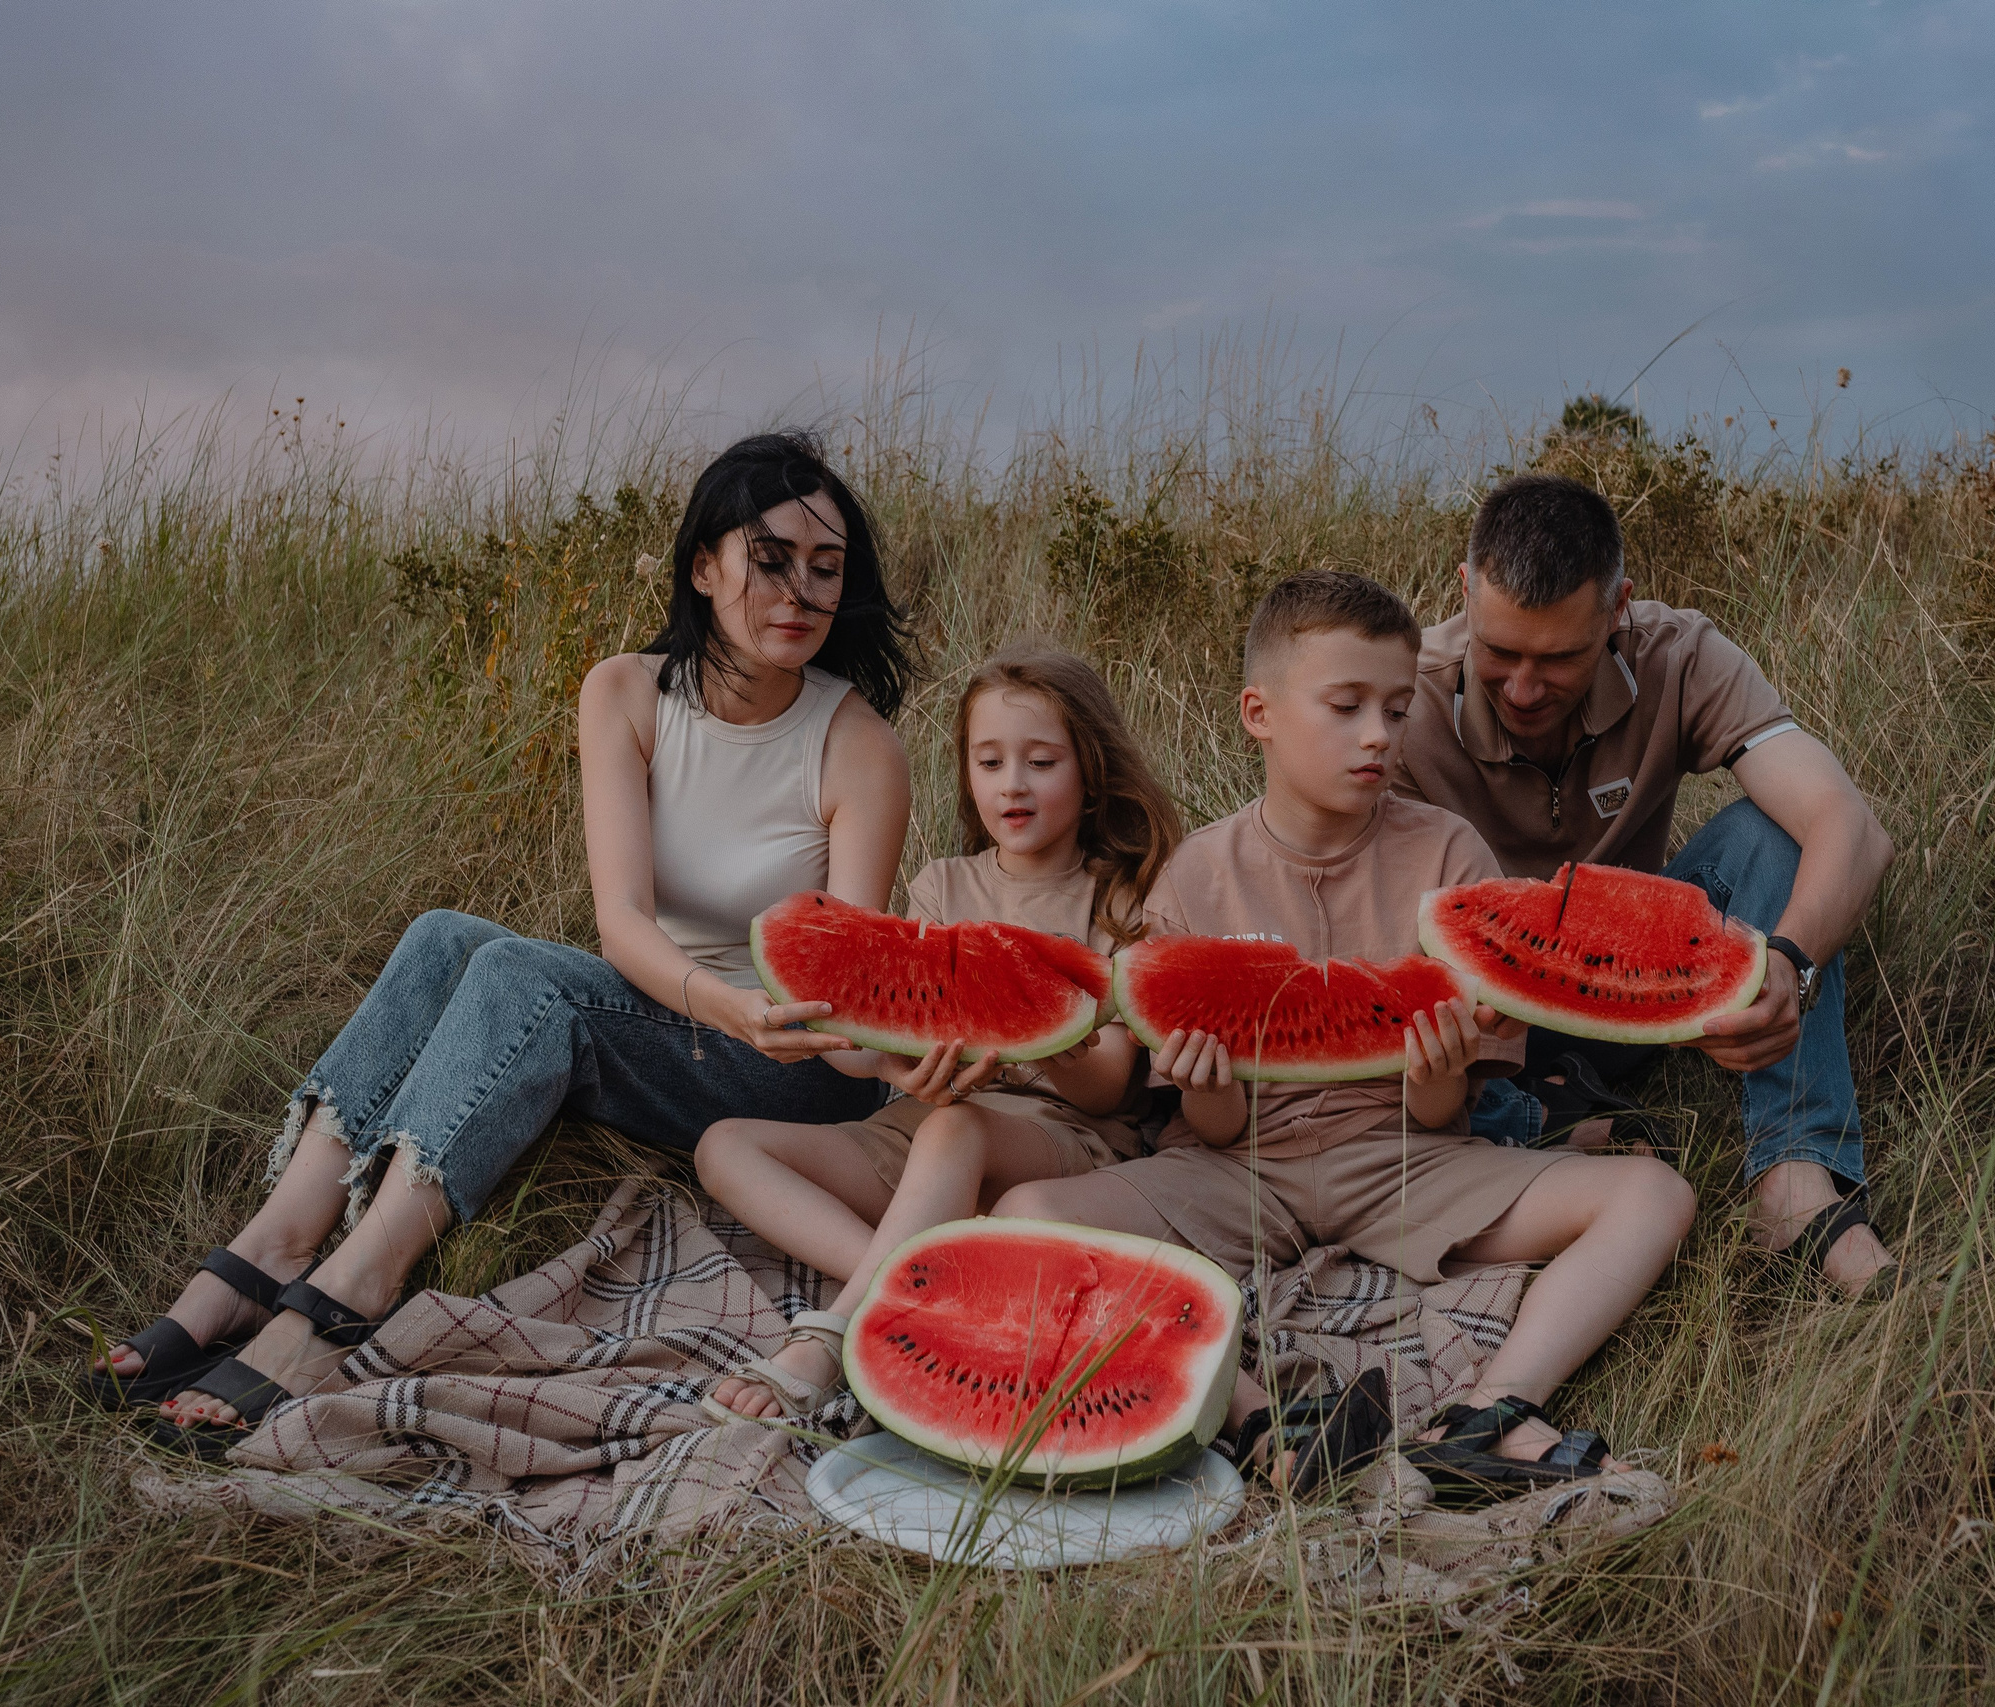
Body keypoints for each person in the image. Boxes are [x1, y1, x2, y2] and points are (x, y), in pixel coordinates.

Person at [90, 432, 918, 1450]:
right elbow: (620, 920)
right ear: (704, 567)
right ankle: (277, 1242)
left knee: (527, 974)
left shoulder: (858, 745)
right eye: (769, 558)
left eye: (825, 569)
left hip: (789, 1062)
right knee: (446, 938)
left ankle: (352, 1288)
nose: (798, 591)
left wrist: (786, 1020)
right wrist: (715, 1000)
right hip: (680, 1008)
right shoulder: (624, 692)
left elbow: (842, 980)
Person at [995, 571, 1697, 1494]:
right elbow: (1211, 1129)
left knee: (1653, 1194)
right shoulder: (1196, 875)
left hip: (1404, 1161)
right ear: (1262, 713)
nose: (1378, 734)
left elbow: (1447, 1111)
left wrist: (1436, 1072)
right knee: (1025, 1221)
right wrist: (1209, 1085)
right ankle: (1261, 1421)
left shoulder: (1448, 857)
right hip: (1236, 1170)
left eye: (1397, 708)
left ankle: (1491, 1411)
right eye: (1346, 705)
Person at [1396, 473, 1899, 1294]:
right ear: (1464, 592)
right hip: (1474, 1031)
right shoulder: (1404, 697)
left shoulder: (1679, 654)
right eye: (1499, 652)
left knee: (1769, 836)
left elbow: (1853, 828)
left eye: (1559, 658)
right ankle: (1539, 1125)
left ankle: (1796, 1183)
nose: (1524, 688)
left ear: (1618, 607)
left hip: (1640, 988)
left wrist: (1788, 965)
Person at [695, 647, 1182, 1423]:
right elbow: (872, 1051)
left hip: (1057, 1144)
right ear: (967, 772)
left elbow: (1113, 1089)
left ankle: (833, 1334)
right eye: (989, 761)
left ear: (1089, 768)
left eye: (1041, 760)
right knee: (724, 1145)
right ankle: (929, 1287)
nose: (1012, 783)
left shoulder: (1120, 895)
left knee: (955, 1128)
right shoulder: (942, 885)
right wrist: (884, 1053)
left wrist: (1058, 1044)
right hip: (917, 1130)